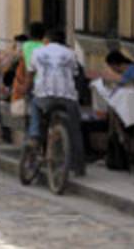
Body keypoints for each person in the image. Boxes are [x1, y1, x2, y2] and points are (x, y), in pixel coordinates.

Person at [28, 28, 86, 176]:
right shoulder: (71, 53)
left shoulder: (38, 52)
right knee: (75, 130)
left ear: (47, 40)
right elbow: (75, 73)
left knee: (34, 104)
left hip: (44, 96)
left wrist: (29, 89)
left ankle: (34, 135)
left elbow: (31, 72)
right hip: (67, 98)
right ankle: (79, 167)